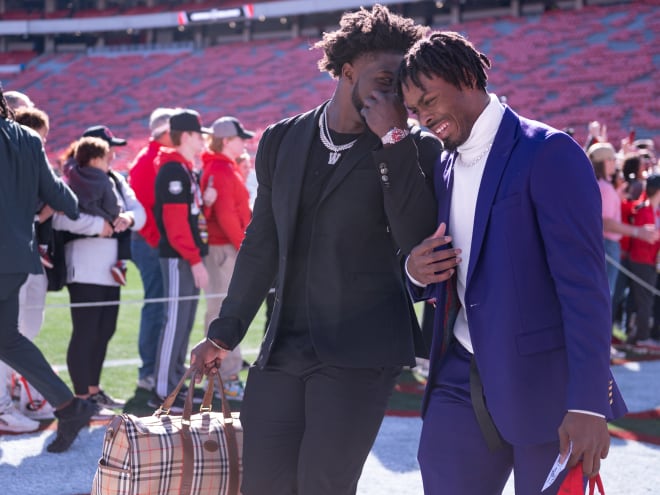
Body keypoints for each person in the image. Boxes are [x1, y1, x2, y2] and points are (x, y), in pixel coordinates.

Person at [190, 5, 440, 494]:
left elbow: (416, 238)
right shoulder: (283, 139)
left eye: (401, 84)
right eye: (384, 79)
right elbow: (261, 241)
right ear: (347, 71)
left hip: (361, 350)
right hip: (283, 344)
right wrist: (224, 333)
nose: (395, 94)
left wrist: (394, 138)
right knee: (263, 483)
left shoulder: (413, 148)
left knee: (323, 485)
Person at [400, 32, 628, 494]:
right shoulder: (442, 166)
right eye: (413, 111)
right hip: (459, 374)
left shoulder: (549, 151)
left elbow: (584, 287)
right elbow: (463, 269)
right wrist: (414, 272)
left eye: (428, 100)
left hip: (548, 388)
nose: (423, 117)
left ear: (467, 78)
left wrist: (588, 403)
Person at [0, 84, 96, 451]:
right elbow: (61, 197)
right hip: (16, 258)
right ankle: (70, 407)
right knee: (7, 339)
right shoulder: (27, 138)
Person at [53, 130, 145, 412]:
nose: (113, 156)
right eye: (109, 151)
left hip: (112, 266)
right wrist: (98, 226)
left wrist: (126, 218)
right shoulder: (70, 178)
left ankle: (93, 391)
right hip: (84, 265)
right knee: (86, 331)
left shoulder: (116, 178)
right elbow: (59, 219)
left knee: (105, 329)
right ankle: (81, 397)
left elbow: (138, 212)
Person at [150, 108, 210, 411]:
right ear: (186, 135)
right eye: (199, 134)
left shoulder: (183, 168)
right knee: (175, 321)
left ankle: (174, 381)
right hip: (178, 257)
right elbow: (175, 226)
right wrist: (195, 259)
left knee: (184, 322)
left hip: (185, 255)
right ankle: (162, 390)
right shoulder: (173, 170)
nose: (202, 140)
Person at [199, 116, 255, 401]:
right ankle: (225, 376)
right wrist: (246, 246)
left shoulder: (222, 168)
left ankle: (224, 374)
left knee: (223, 309)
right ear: (226, 140)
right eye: (239, 138)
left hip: (224, 249)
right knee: (223, 311)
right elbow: (226, 216)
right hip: (224, 250)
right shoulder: (221, 170)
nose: (244, 142)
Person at [128, 107, 175, 392]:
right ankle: (149, 372)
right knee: (157, 307)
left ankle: (160, 370)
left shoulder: (155, 158)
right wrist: (161, 243)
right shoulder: (149, 160)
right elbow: (147, 209)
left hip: (156, 243)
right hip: (152, 244)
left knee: (163, 308)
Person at [67, 137, 132, 285]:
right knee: (125, 231)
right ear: (96, 160)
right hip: (105, 217)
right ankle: (121, 264)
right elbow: (112, 204)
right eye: (105, 160)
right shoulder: (104, 180)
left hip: (82, 220)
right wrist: (118, 214)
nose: (108, 164)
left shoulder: (72, 175)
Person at [626, 174, 660, 346]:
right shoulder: (644, 211)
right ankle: (642, 337)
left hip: (651, 261)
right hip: (642, 261)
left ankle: (640, 334)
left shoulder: (655, 210)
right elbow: (644, 237)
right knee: (644, 300)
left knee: (647, 299)